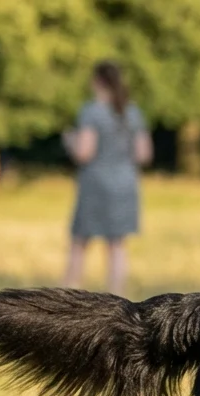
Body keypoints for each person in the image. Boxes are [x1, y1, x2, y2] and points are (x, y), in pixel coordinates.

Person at [63, 61, 152, 296]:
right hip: (126, 183)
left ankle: (69, 296)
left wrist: (70, 140)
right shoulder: (132, 112)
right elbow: (143, 154)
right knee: (117, 245)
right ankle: (117, 296)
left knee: (80, 242)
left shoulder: (92, 111)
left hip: (96, 183)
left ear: (97, 81)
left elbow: (85, 152)